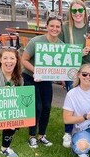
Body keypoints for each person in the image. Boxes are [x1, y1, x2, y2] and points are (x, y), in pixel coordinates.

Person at [21, 16, 63, 148]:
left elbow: (61, 65)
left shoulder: (61, 45)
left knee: (46, 107)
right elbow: (24, 60)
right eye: (52, 26)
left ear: (61, 29)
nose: (54, 29)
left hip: (46, 79)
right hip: (30, 76)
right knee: (36, 107)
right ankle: (32, 136)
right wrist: (36, 71)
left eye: (57, 26)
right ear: (47, 26)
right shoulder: (36, 41)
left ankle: (42, 135)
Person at [59, 0, 90, 148]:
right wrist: (77, 54)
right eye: (74, 11)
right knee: (72, 99)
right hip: (72, 68)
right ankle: (68, 132)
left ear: (85, 12)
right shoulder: (65, 28)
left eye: (80, 10)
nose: (77, 14)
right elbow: (60, 51)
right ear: (70, 13)